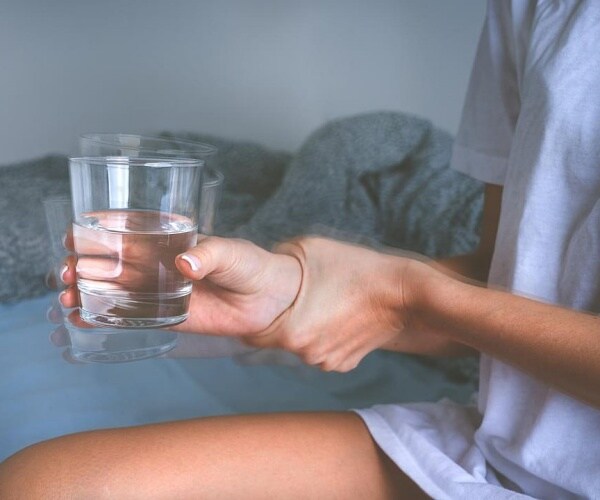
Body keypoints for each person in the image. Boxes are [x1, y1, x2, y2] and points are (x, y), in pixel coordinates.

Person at [1, 1, 599, 497]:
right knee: (48, 484)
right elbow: (503, 289)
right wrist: (282, 309)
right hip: (503, 453)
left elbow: (438, 302)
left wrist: (403, 293)